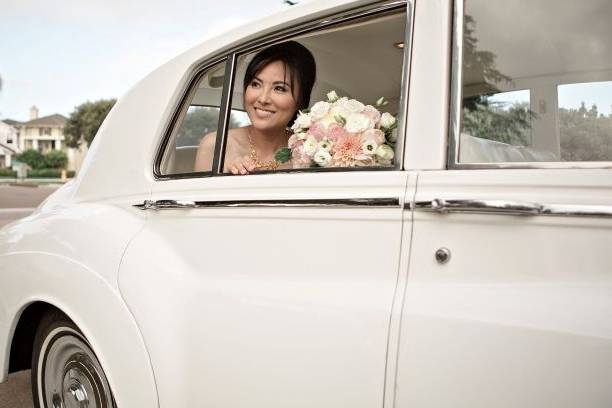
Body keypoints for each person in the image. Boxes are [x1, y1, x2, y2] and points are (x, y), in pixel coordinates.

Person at [194, 41, 316, 174]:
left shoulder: (312, 151)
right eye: (256, 84)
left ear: (300, 99)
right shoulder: (215, 146)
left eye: (279, 88)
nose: (263, 99)